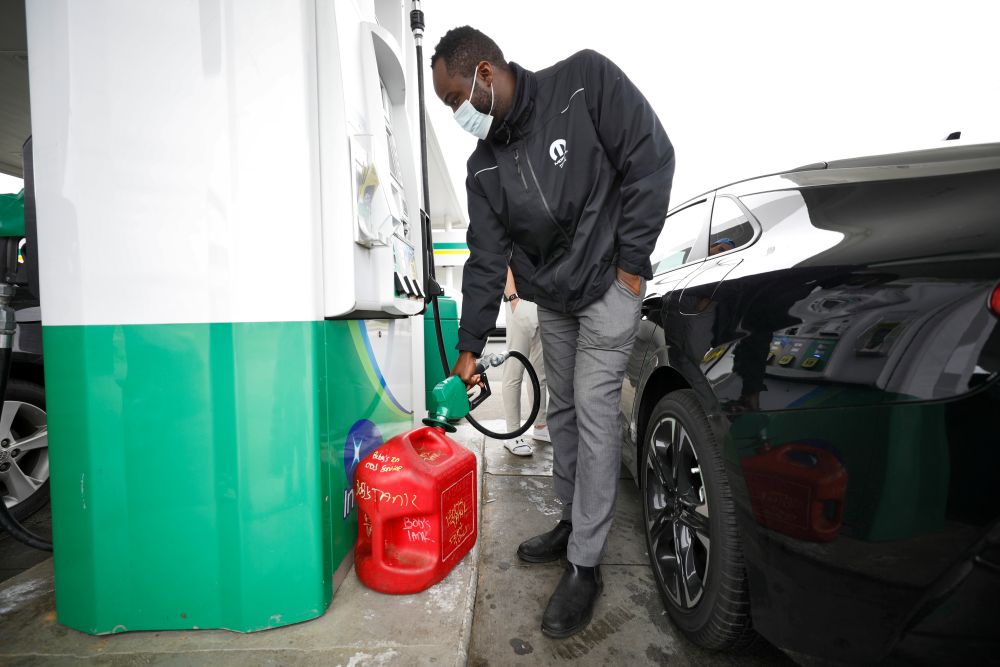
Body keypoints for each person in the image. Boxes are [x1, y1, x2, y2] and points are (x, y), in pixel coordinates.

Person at [431, 26, 674, 638]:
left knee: (594, 414)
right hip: (554, 300)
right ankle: (573, 520)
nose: (456, 115)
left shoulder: (583, 84)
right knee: (562, 412)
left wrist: (631, 270)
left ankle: (586, 565)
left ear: (486, 74)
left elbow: (650, 156)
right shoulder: (483, 168)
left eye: (455, 99)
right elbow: (486, 259)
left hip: (608, 291)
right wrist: (467, 352)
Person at [501, 266, 549, 456]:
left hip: (545, 303)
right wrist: (513, 299)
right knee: (515, 370)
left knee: (541, 372)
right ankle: (512, 433)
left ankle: (540, 426)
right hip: (520, 301)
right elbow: (502, 259)